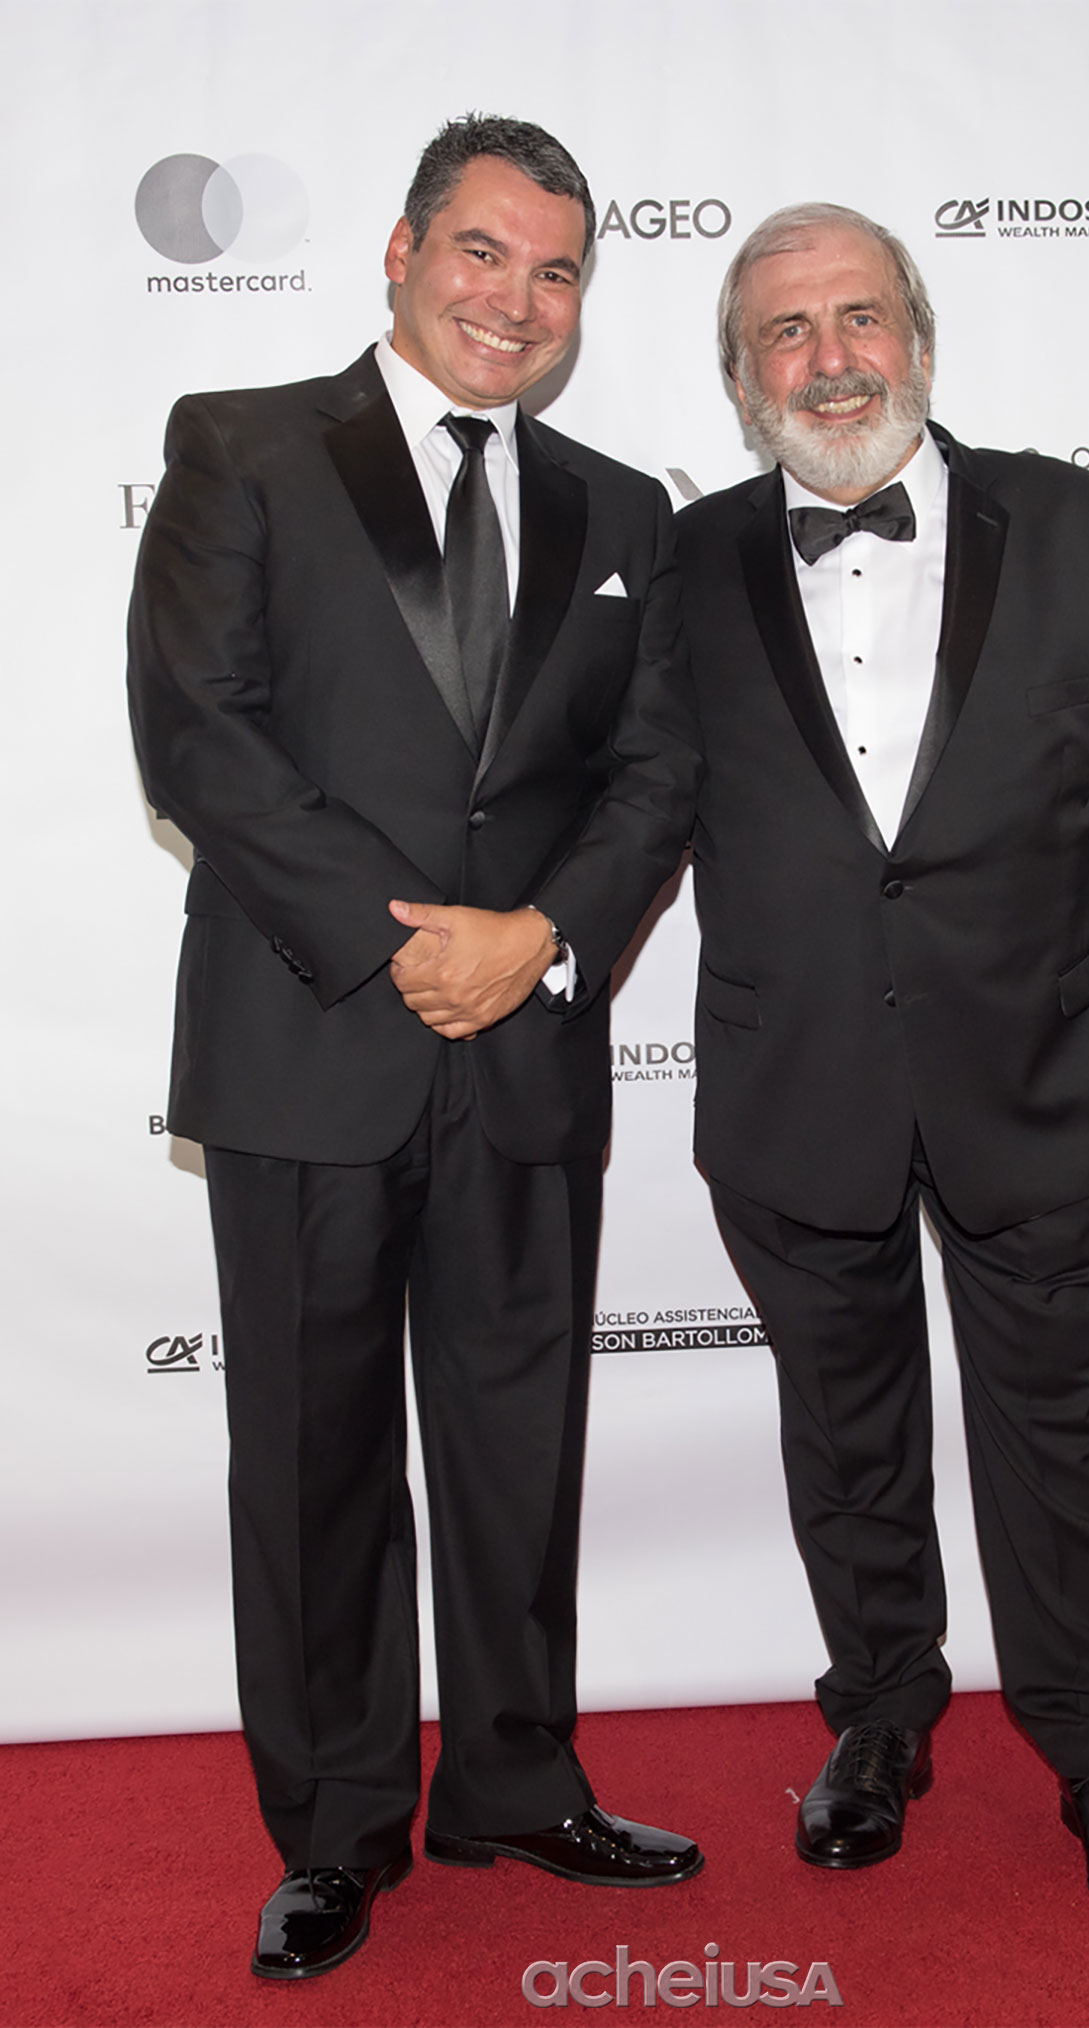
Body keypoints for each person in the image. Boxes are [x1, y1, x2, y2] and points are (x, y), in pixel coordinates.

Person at [127, 114, 701, 1981]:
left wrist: (534, 940)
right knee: (312, 1456)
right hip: (310, 1033)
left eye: (555, 272)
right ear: (399, 250)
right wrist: (407, 944)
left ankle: (516, 1781)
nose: (514, 299)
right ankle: (335, 1828)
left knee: (518, 1442)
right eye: (481, 251)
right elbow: (198, 736)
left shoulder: (622, 512)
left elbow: (654, 775)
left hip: (522, 1044)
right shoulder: (245, 447)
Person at [676, 202, 1089, 1920]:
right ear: (741, 375)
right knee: (844, 1433)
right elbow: (621, 808)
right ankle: (879, 1719)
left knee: (1060, 1429)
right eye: (784, 331)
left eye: (857, 317)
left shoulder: (1073, 525)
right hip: (794, 1073)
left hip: (1041, 1067)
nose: (828, 359)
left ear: (915, 335)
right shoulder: (682, 564)